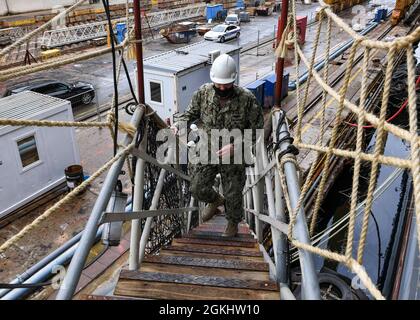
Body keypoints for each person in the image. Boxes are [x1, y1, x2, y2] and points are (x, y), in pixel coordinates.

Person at [171, 54, 264, 237]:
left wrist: (236, 146)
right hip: (208, 148)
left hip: (234, 154)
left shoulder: (247, 99)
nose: (222, 87)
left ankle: (232, 223)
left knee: (233, 194)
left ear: (234, 80)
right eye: (218, 84)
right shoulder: (203, 93)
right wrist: (178, 124)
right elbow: (189, 114)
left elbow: (257, 130)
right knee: (197, 187)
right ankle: (215, 200)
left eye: (226, 84)